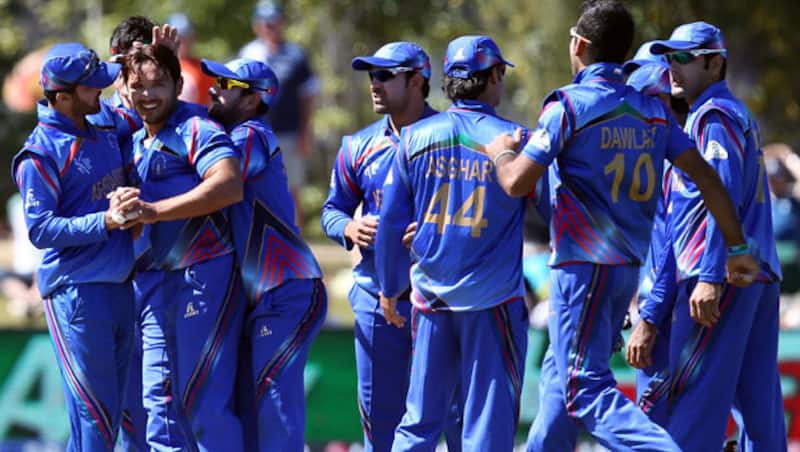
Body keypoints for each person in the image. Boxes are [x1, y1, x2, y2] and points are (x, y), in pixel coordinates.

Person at [485, 2, 759, 449]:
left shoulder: (569, 105)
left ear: (579, 45)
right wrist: (736, 246)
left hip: (583, 267)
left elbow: (516, 182)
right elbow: (709, 180)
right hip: (624, 271)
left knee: (583, 389)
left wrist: (501, 152)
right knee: (559, 383)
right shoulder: (653, 113)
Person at [634, 21, 787, 451]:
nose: (673, 68)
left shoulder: (712, 115)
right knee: (758, 406)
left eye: (684, 57)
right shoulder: (734, 112)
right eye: (669, 58)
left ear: (715, 63)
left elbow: (722, 194)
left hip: (722, 276)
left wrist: (709, 275)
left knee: (696, 403)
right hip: (757, 274)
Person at [375, 35, 528, 451]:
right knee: (486, 424)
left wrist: (389, 288)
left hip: (430, 300)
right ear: (493, 76)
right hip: (494, 303)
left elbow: (390, 222)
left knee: (418, 422)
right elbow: (551, 214)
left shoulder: (413, 137)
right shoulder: (515, 140)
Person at [321, 41, 462, 452]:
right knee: (379, 421)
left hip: (442, 301)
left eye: (384, 75)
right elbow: (331, 210)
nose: (374, 84)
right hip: (375, 300)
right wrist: (350, 227)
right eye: (371, 75)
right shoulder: (357, 146)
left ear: (416, 80)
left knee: (454, 418)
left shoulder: (455, 138)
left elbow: (479, 211)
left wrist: (437, 229)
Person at [12, 42, 138, 451]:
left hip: (121, 285)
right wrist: (106, 221)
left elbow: (140, 113)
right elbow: (41, 230)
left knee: (116, 415)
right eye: (91, 86)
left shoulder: (100, 123)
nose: (100, 90)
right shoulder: (41, 153)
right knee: (94, 419)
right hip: (77, 292)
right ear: (62, 97)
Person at [120, 44, 245, 451]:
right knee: (159, 402)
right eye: (138, 86)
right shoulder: (134, 141)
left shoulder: (196, 129)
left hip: (203, 277)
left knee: (203, 404)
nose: (147, 95)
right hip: (154, 285)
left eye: (158, 84)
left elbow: (229, 185)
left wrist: (154, 211)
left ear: (178, 85)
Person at [200, 57, 327, 452]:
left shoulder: (251, 134)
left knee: (276, 413)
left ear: (253, 99)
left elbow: (216, 183)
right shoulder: (232, 134)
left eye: (227, 84)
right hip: (261, 297)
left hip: (287, 291)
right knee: (249, 413)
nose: (214, 88)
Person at [239, 0, 319, 228]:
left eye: (274, 22)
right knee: (253, 187)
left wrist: (305, 132)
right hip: (255, 134)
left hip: (289, 133)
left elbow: (308, 96)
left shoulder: (296, 55)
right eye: (265, 22)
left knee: (292, 189)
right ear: (256, 25)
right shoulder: (248, 54)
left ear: (282, 23)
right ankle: (256, 240)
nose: (269, 27)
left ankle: (295, 240)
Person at [169, 13, 214, 105]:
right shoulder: (161, 67)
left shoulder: (205, 69)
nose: (181, 41)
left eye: (186, 37)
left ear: (193, 38)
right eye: (177, 36)